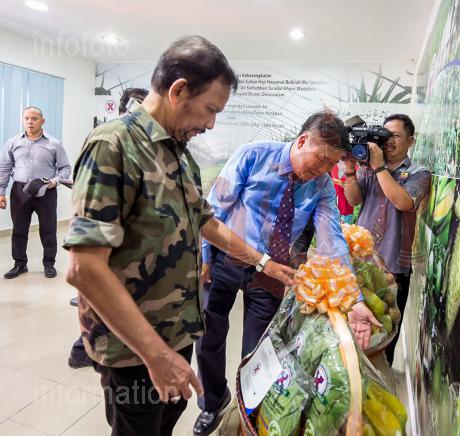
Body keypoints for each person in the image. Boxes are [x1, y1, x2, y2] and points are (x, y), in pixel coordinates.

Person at [63, 36, 294, 436]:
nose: (211, 124)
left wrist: (264, 263)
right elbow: (84, 269)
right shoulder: (114, 145)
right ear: (179, 90)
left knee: (164, 424)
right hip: (133, 346)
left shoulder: (178, 152)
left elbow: (207, 221)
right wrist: (156, 355)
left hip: (175, 331)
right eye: (210, 110)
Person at [193, 110, 381, 435]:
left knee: (259, 349)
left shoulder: (321, 185)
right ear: (303, 140)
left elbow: (332, 239)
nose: (324, 170)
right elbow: (215, 207)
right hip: (227, 259)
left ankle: (249, 412)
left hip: (273, 271)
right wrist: (205, 255)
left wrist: (355, 299)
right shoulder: (253, 155)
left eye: (331, 165)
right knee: (208, 335)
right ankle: (212, 401)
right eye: (322, 159)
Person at [67, 87, 150, 370]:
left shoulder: (142, 144)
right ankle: (82, 349)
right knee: (98, 295)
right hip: (106, 240)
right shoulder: (110, 140)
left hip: (124, 243)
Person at [343, 114, 430, 365]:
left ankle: (382, 376)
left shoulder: (419, 174)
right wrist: (350, 169)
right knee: (354, 330)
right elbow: (353, 200)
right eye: (385, 134)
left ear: (410, 141)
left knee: (385, 334)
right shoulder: (368, 168)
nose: (389, 140)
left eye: (396, 136)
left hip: (394, 268)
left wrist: (380, 167)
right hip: (362, 263)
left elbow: (403, 202)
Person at [0, 107, 71, 279]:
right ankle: (20, 264)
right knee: (19, 229)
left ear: (42, 121)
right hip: (20, 191)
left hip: (46, 190)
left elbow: (65, 168)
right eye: (26, 118)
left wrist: (55, 180)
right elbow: (4, 168)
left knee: (48, 229)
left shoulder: (54, 143)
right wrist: (1, 192)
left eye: (34, 118)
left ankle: (49, 264)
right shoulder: (13, 142)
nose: (29, 122)